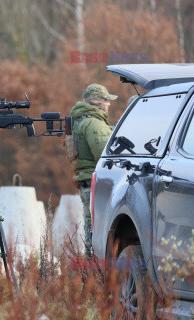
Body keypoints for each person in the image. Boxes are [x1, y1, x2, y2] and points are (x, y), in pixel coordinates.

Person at [69, 83, 117, 256]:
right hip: (94, 185)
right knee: (96, 231)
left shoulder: (81, 120)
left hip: (87, 183)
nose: (109, 105)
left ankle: (90, 275)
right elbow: (107, 157)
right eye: (107, 101)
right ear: (101, 102)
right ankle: (93, 276)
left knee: (91, 229)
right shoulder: (94, 124)